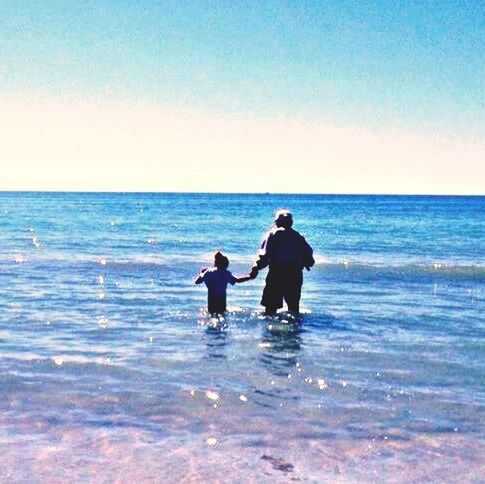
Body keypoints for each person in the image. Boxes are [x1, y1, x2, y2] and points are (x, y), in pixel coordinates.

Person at [249, 209, 314, 315]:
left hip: (277, 274)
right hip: (295, 275)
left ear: (276, 222)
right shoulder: (299, 237)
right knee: (293, 308)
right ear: (291, 223)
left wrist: (255, 267)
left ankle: (270, 328)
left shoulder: (272, 234)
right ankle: (294, 329)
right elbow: (310, 261)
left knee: (271, 308)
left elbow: (264, 257)